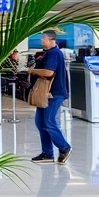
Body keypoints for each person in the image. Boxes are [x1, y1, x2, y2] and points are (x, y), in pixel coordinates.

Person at [29, 30, 71, 165]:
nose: (41, 41)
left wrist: (32, 71)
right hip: (46, 93)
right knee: (40, 123)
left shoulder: (54, 53)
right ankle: (47, 153)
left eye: (44, 39)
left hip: (54, 93)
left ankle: (64, 147)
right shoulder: (48, 54)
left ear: (52, 40)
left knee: (48, 121)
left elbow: (48, 72)